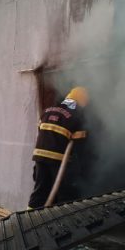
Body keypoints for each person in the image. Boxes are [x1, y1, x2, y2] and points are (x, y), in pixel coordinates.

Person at [26, 73, 89, 209]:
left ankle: (28, 221)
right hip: (58, 160)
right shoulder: (76, 116)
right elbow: (79, 146)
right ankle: (61, 222)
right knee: (64, 193)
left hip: (39, 157)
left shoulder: (47, 111)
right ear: (81, 101)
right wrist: (80, 169)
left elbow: (40, 133)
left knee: (40, 191)